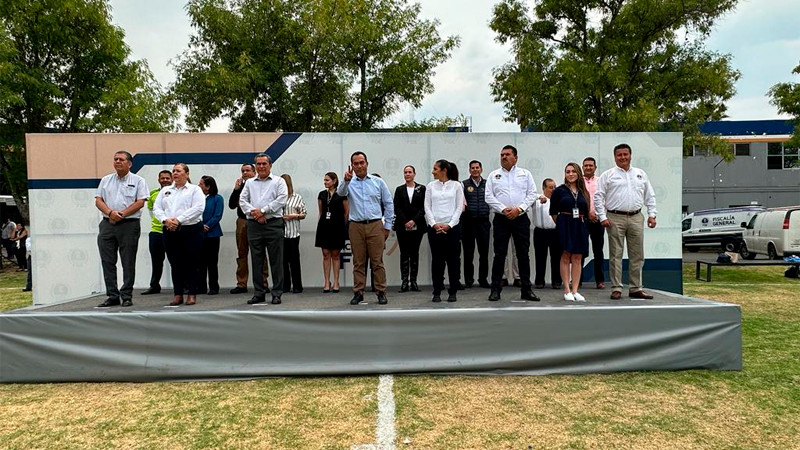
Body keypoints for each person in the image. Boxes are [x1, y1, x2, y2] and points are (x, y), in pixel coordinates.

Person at [594, 143, 658, 300]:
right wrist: (602, 217)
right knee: (616, 254)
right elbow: (598, 196)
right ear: (615, 157)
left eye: (625, 154)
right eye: (619, 155)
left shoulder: (640, 174)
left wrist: (652, 214)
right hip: (615, 217)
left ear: (630, 155)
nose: (622, 157)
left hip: (636, 217)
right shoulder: (608, 175)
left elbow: (649, 195)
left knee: (637, 255)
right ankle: (616, 288)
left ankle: (636, 288)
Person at [338, 151, 394, 306]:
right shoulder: (349, 183)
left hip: (376, 224)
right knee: (358, 262)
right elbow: (340, 194)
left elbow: (389, 204)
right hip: (356, 226)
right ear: (352, 166)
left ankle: (381, 292)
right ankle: (358, 292)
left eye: (362, 162)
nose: (359, 166)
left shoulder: (378, 182)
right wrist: (345, 181)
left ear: (367, 164)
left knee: (377, 261)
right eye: (356, 163)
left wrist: (387, 226)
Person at [485, 145, 539, 302]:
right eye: (502, 154)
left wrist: (519, 209)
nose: (504, 157)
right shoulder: (494, 175)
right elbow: (489, 197)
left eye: (507, 154)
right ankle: (495, 289)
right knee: (499, 255)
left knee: (523, 255)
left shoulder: (525, 174)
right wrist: (503, 209)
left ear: (516, 157)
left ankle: (526, 290)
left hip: (521, 218)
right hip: (501, 219)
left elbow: (532, 194)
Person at [94, 151, 148, 308]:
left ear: (129, 164)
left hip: (129, 224)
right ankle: (112, 295)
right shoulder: (106, 180)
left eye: (121, 159)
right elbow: (98, 200)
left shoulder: (138, 180)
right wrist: (111, 213)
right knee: (107, 261)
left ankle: (126, 296)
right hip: (107, 224)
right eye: (115, 159)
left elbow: (140, 202)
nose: (117, 161)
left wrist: (122, 214)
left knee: (128, 261)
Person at [154, 163, 205, 306]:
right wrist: (165, 220)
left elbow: (198, 208)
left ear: (187, 174)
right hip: (170, 230)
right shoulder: (165, 190)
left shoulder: (195, 190)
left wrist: (178, 220)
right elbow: (157, 208)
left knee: (191, 262)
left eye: (178, 171)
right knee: (175, 263)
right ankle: (178, 294)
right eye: (173, 171)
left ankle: (191, 293)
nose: (175, 173)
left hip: (191, 230)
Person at [239, 154, 288, 305]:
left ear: (270, 165)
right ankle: (259, 293)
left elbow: (282, 199)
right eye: (258, 164)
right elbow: (242, 200)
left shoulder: (279, 181)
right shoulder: (249, 183)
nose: (261, 166)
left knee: (276, 261)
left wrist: (264, 211)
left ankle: (277, 293)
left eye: (264, 164)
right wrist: (255, 213)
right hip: (254, 225)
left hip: (273, 224)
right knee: (256, 260)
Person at [424, 159, 464, 303]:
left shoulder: (456, 185)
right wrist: (434, 224)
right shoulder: (430, 186)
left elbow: (459, 207)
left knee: (453, 261)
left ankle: (452, 291)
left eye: (435, 169)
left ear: (444, 170)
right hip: (435, 229)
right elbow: (427, 207)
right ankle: (436, 291)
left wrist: (450, 225)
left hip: (452, 229)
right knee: (437, 261)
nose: (433, 171)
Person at [550, 163, 591, 302]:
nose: (571, 174)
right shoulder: (559, 191)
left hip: (580, 225)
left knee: (578, 258)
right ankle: (567, 289)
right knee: (566, 256)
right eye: (568, 172)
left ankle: (575, 290)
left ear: (578, 173)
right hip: (564, 224)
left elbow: (586, 210)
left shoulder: (584, 192)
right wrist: (562, 224)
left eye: (573, 171)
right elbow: (553, 212)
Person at [228, 163, 269, 294]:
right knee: (242, 253)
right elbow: (231, 205)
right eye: (243, 171)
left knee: (260, 253)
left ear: (254, 171)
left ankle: (263, 283)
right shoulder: (240, 187)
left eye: (247, 170)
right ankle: (241, 284)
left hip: (257, 221)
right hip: (242, 221)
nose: (245, 173)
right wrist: (236, 189)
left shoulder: (259, 185)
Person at [393, 165, 426, 293]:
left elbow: (424, 207)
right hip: (402, 226)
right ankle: (404, 281)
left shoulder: (421, 189)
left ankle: (414, 281)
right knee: (404, 253)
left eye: (410, 172)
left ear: (414, 174)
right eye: (405, 172)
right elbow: (397, 207)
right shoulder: (399, 190)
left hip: (417, 226)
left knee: (414, 253)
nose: (407, 174)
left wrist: (414, 221)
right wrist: (406, 221)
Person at [315, 172, 348, 293]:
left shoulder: (341, 194)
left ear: (334, 181)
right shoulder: (322, 194)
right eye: (324, 180)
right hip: (324, 227)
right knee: (325, 254)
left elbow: (346, 212)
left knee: (335, 255)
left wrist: (341, 225)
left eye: (327, 180)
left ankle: (336, 282)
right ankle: (326, 282)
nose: (325, 182)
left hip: (337, 227)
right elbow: (321, 211)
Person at [461, 160, 491, 289]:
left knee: (484, 253)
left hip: (483, 222)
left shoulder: (487, 184)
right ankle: (469, 280)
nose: (475, 170)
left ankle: (483, 279)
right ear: (469, 170)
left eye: (477, 167)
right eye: (472, 168)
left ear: (481, 169)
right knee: (468, 254)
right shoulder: (464, 184)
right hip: (468, 223)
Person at [142, 170, 173, 295]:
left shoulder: (177, 193)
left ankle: (183, 286)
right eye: (162, 178)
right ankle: (154, 286)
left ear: (172, 179)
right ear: (158, 180)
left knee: (175, 261)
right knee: (156, 261)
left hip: (172, 231)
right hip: (156, 232)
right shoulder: (153, 194)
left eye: (167, 178)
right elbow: (151, 212)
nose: (165, 180)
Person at [533, 178, 562, 289]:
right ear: (543, 188)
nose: (553, 189)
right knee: (540, 257)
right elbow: (528, 197)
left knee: (556, 257)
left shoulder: (559, 200)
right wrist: (539, 197)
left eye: (554, 187)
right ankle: (539, 281)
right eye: (550, 187)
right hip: (540, 232)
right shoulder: (536, 200)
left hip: (555, 231)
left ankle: (556, 281)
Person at [583, 157, 606, 289]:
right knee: (580, 250)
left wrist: (599, 214)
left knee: (598, 251)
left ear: (595, 167)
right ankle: (577, 280)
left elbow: (605, 199)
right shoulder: (578, 182)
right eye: (586, 166)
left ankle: (600, 280)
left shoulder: (600, 181)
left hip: (598, 220)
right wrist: (587, 213)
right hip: (583, 219)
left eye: (591, 165)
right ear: (582, 167)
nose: (588, 168)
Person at [281, 174, 307, 294]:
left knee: (294, 261)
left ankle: (297, 286)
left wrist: (293, 216)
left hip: (293, 233)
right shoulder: (277, 197)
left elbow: (304, 214)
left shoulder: (297, 197)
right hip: (280, 233)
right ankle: (285, 285)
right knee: (282, 261)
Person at [199, 175, 224, 295]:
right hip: (198, 234)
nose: (199, 186)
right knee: (200, 262)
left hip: (212, 234)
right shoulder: (198, 198)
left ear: (208, 187)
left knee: (212, 262)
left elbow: (217, 215)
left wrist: (207, 226)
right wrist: (199, 226)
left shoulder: (217, 198)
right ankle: (201, 287)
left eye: (201, 184)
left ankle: (214, 287)